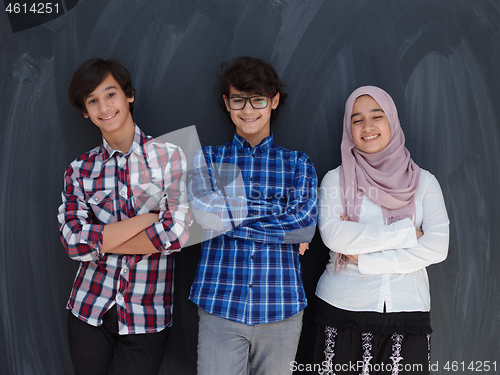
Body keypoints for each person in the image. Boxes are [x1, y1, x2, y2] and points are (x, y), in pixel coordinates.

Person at [58, 58, 190, 375]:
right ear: (85, 111)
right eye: (93, 101)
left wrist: (101, 240)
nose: (104, 107)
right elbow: (74, 244)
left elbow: (176, 235)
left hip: (147, 316)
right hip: (88, 310)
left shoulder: (171, 156)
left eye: (111, 94)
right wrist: (147, 220)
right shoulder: (79, 170)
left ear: (128, 95)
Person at [188, 56, 318, 375]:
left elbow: (302, 225)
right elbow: (205, 217)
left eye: (258, 99)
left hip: (281, 309)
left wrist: (230, 214)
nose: (248, 110)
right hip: (220, 305)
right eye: (238, 100)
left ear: (273, 101)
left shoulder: (298, 163)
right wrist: (276, 209)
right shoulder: (206, 158)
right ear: (227, 103)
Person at [311, 86, 449, 375]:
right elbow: (334, 236)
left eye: (377, 116)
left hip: (407, 311)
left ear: (392, 121)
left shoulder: (424, 182)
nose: (367, 127)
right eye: (357, 119)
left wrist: (368, 259)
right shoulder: (336, 180)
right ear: (349, 128)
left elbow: (437, 246)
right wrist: (408, 234)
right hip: (341, 310)